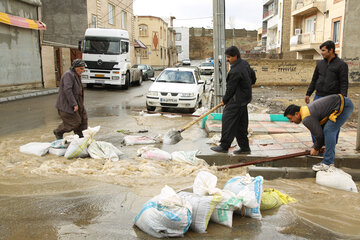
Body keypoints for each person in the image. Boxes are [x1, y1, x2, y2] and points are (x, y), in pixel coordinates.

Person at [284, 94, 354, 171]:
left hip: (343, 105)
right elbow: (320, 131)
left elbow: (319, 136)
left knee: (329, 130)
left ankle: (328, 163)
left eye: (290, 118)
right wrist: (320, 145)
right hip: (341, 103)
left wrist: (316, 148)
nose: (291, 121)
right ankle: (327, 159)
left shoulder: (306, 118)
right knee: (326, 130)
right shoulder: (305, 110)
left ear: (297, 114)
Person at [210, 46, 255, 154]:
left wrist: (225, 100)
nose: (227, 59)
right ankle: (245, 148)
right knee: (241, 125)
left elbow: (230, 89)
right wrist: (248, 85)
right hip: (244, 100)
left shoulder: (235, 71)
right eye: (227, 57)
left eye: (229, 57)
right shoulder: (244, 64)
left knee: (228, 120)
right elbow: (253, 76)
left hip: (237, 100)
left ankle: (224, 146)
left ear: (235, 56)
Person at [305, 40, 348, 145]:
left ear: (331, 50)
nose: (322, 53)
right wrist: (308, 93)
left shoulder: (341, 65)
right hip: (319, 96)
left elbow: (344, 83)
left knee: (332, 123)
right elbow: (314, 79)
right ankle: (317, 145)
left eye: (323, 50)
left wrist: (343, 100)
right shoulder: (320, 64)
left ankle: (329, 145)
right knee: (313, 120)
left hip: (333, 99)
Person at [53, 59, 88, 139]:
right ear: (76, 67)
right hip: (68, 104)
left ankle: (81, 138)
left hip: (78, 102)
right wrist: (74, 104)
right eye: (81, 69)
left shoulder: (76, 75)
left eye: (83, 69)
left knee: (83, 120)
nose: (83, 71)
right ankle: (58, 131)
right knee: (74, 122)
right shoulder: (68, 75)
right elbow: (67, 90)